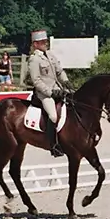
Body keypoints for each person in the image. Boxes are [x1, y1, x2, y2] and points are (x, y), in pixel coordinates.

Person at [25, 28, 73, 157]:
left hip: (58, 88)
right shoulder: (34, 59)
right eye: (42, 42)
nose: (45, 43)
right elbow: (36, 80)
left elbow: (59, 71)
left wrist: (66, 81)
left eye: (46, 41)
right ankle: (53, 145)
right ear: (35, 44)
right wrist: (50, 93)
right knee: (53, 115)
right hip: (44, 93)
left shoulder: (50, 54)